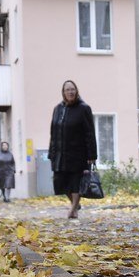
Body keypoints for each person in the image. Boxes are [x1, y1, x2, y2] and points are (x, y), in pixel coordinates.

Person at [48, 80, 97, 219]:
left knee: (75, 182)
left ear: (76, 91)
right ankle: (75, 204)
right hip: (59, 154)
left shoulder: (84, 108)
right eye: (67, 90)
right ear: (63, 92)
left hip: (78, 153)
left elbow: (90, 133)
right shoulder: (57, 109)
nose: (70, 92)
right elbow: (53, 132)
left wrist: (92, 154)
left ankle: (73, 209)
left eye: (73, 89)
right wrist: (51, 152)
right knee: (60, 183)